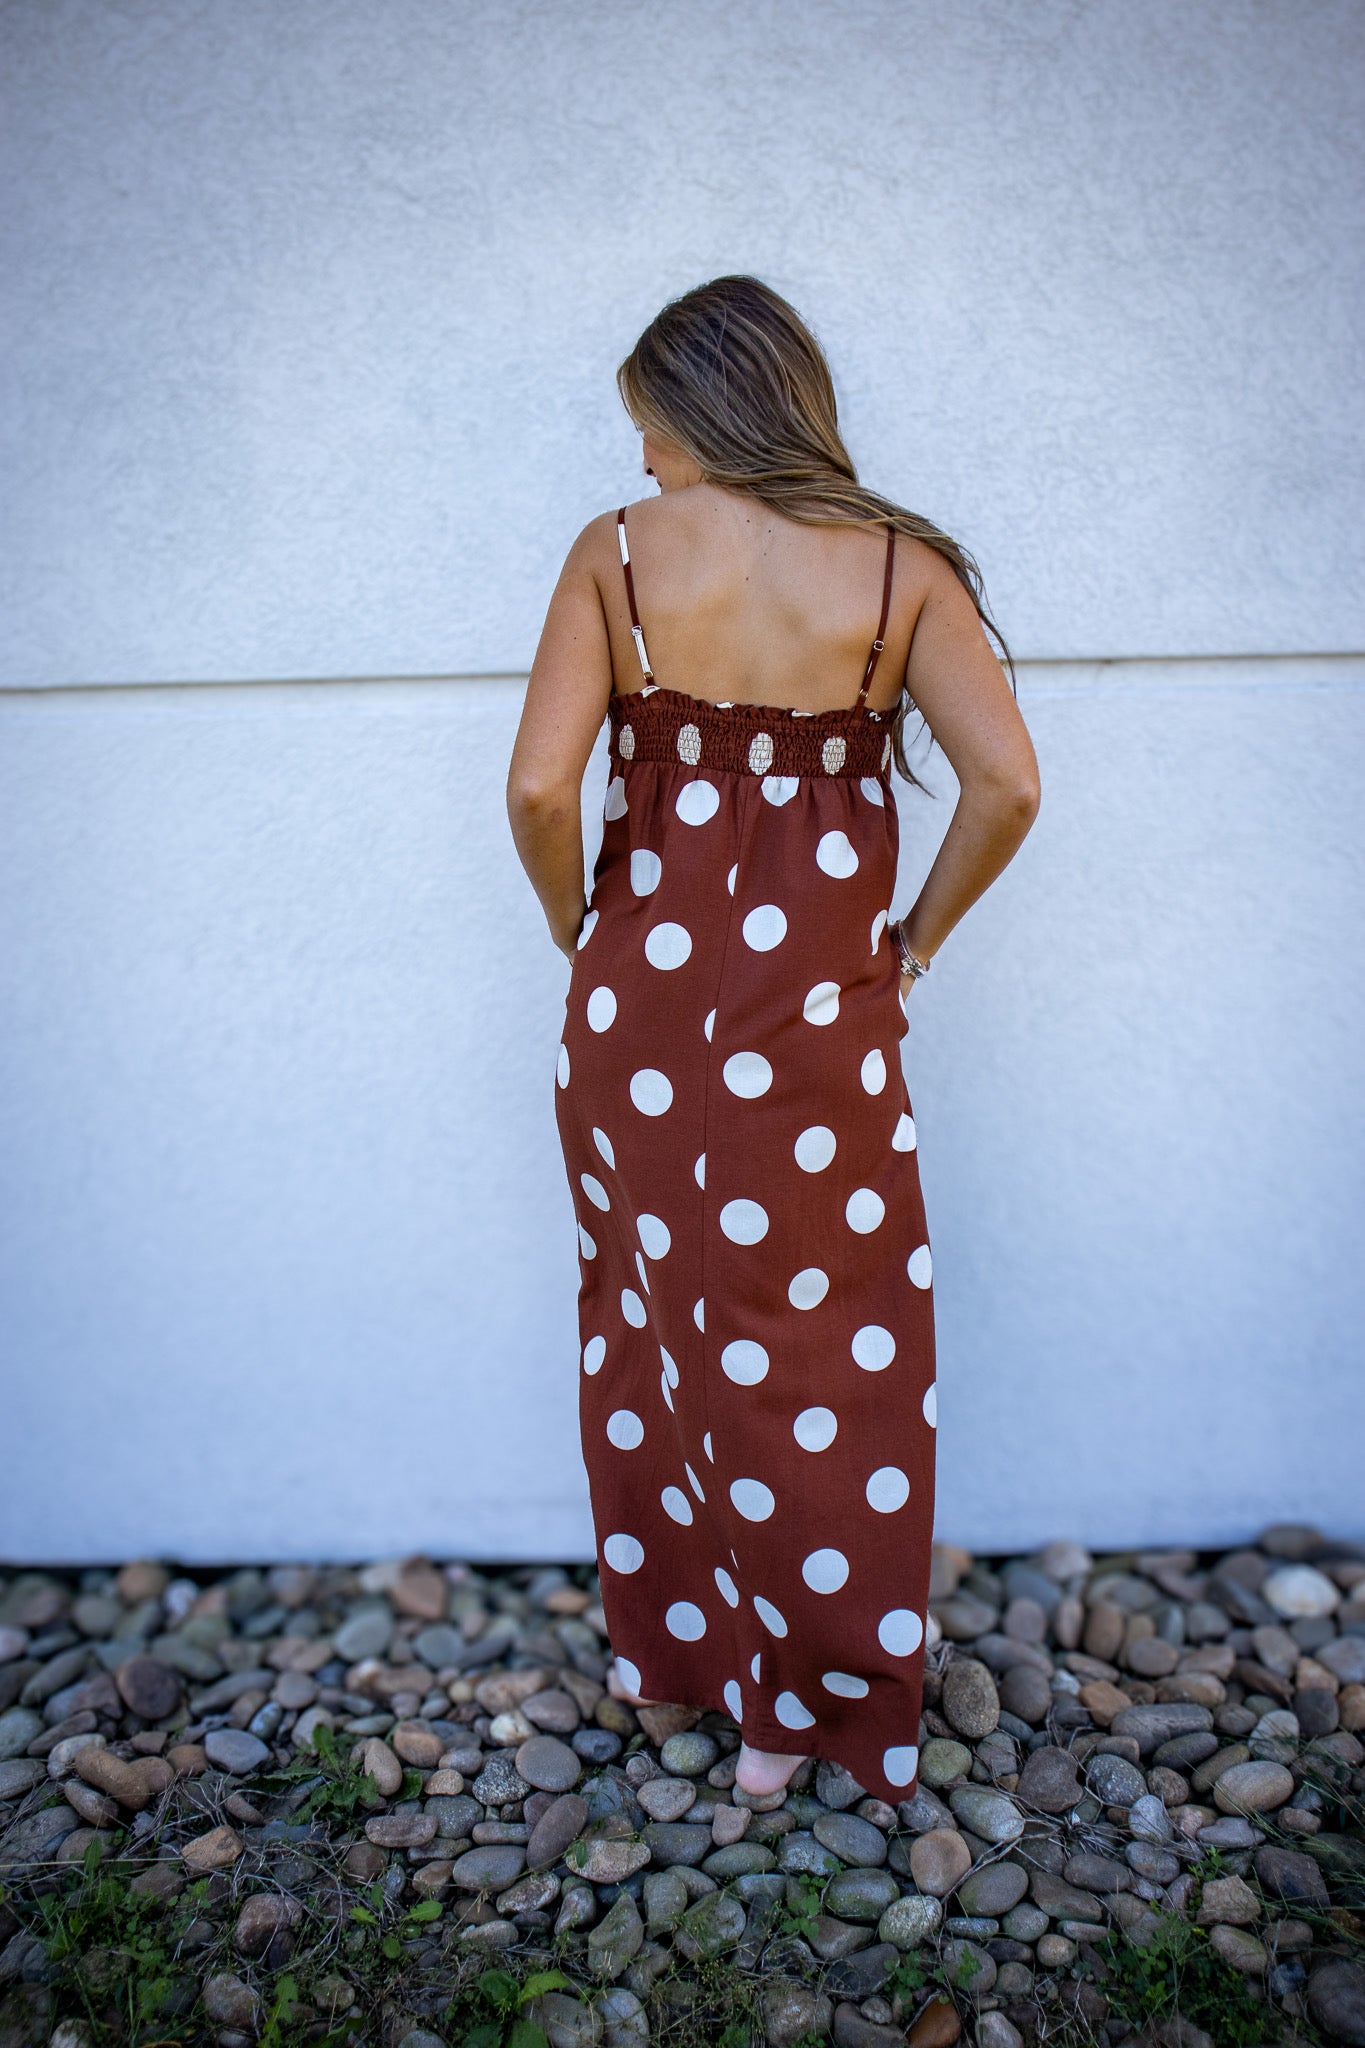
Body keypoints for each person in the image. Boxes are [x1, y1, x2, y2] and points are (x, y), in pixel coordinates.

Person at [507, 275, 1039, 1802]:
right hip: (823, 1028)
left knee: (654, 1329)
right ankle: (806, 1708)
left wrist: (578, 931)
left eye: (647, 429)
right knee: (830, 1351)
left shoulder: (614, 558)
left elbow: (540, 794)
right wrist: (914, 940)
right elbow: (1005, 784)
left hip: (638, 1023)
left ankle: (683, 1670)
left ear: (696, 410)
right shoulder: (900, 572)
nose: (646, 463)